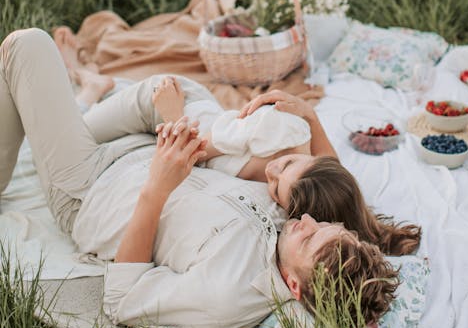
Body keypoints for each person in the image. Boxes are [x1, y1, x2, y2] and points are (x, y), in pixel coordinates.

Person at [1, 28, 399, 328]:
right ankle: (80, 104)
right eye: (327, 226)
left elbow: (121, 297)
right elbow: (330, 178)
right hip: (149, 144)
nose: (307, 222)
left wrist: (156, 188)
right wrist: (310, 118)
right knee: (183, 93)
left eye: (310, 238)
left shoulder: (226, 295)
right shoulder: (297, 233)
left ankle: (80, 106)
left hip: (89, 186)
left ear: (294, 286)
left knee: (27, 46)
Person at [61, 60, 422, 257]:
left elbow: (325, 173)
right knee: (74, 136)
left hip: (181, 128)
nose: (272, 173)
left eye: (276, 189)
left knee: (88, 138)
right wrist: (171, 113)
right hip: (181, 114)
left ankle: (92, 91)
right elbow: (197, 150)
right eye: (287, 167)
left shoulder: (310, 197)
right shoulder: (283, 138)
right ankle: (88, 93)